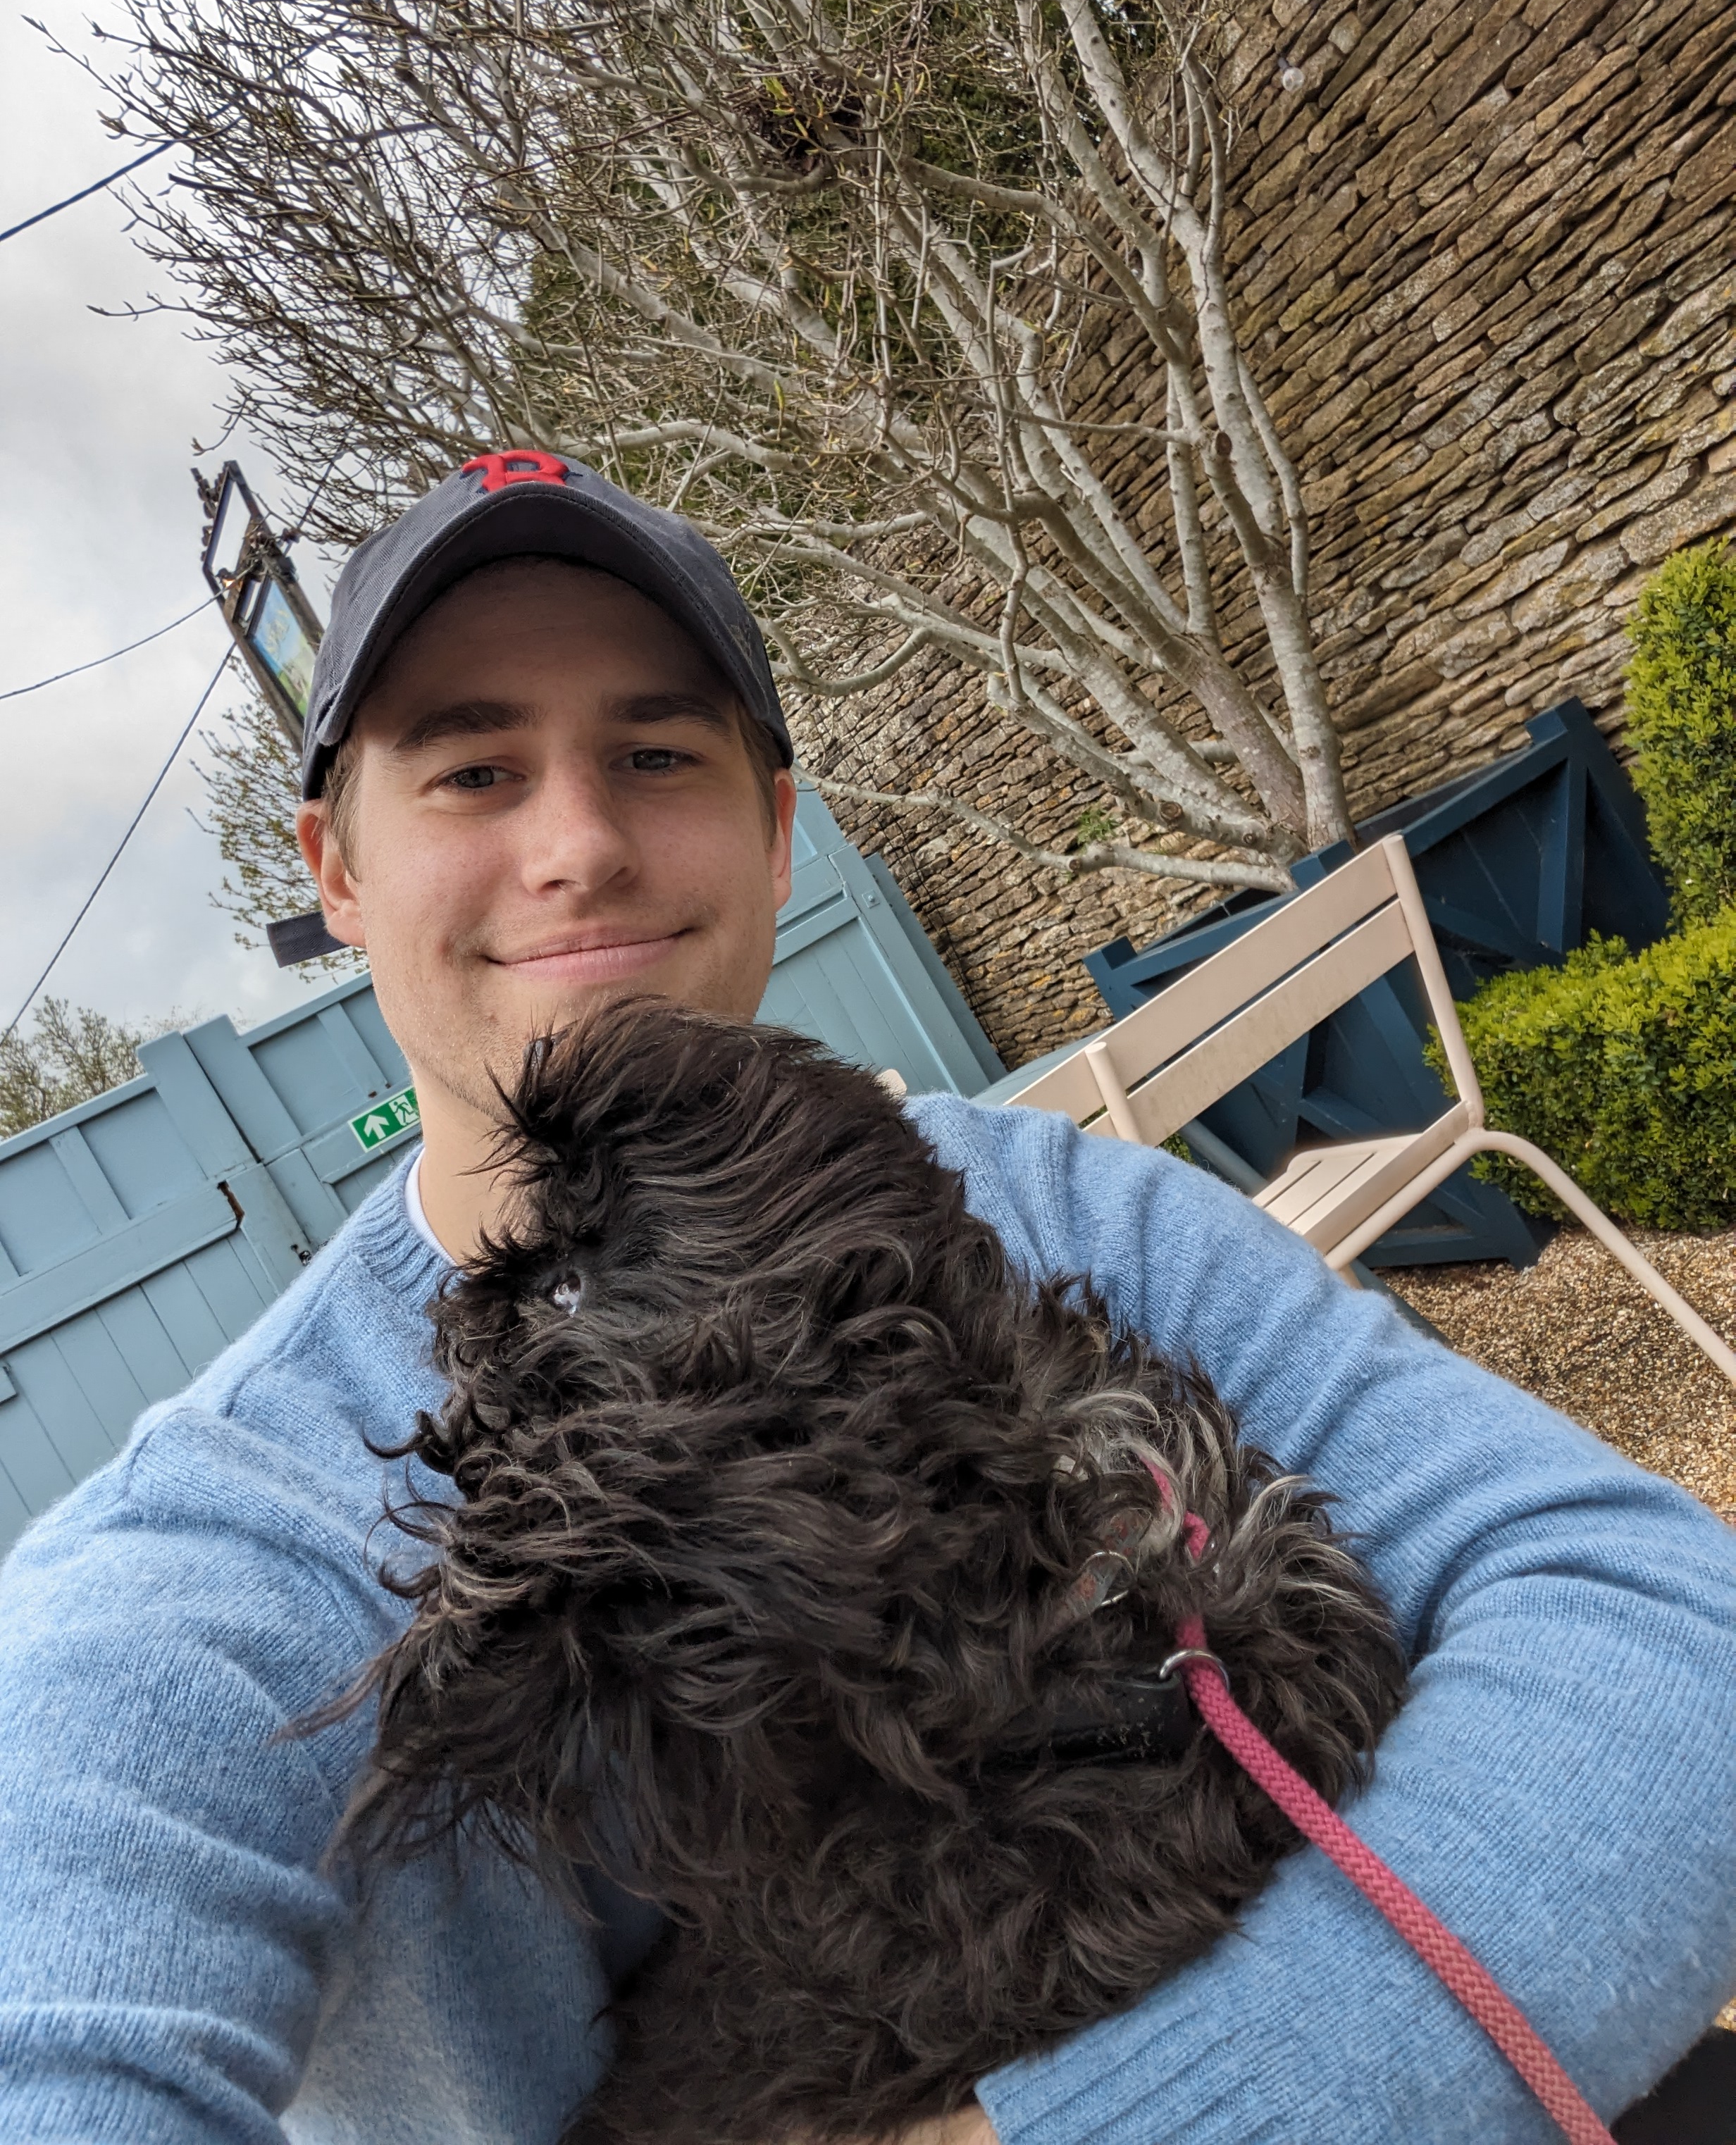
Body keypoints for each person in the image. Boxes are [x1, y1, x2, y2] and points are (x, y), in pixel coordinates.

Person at [0, 450, 1732, 2145]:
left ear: (774, 829)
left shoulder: (1044, 1196)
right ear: (337, 873)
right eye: (471, 771)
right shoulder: (207, 1564)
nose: (579, 843)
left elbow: (1664, 1615)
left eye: (654, 752)